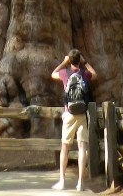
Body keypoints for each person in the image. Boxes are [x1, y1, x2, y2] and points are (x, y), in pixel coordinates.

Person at [51, 48, 97, 192]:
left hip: (69, 113)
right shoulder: (85, 74)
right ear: (79, 60)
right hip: (82, 113)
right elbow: (95, 74)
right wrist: (85, 62)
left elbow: (52, 74)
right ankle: (80, 183)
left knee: (65, 147)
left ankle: (62, 181)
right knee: (82, 147)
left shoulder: (65, 73)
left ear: (70, 61)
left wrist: (64, 63)